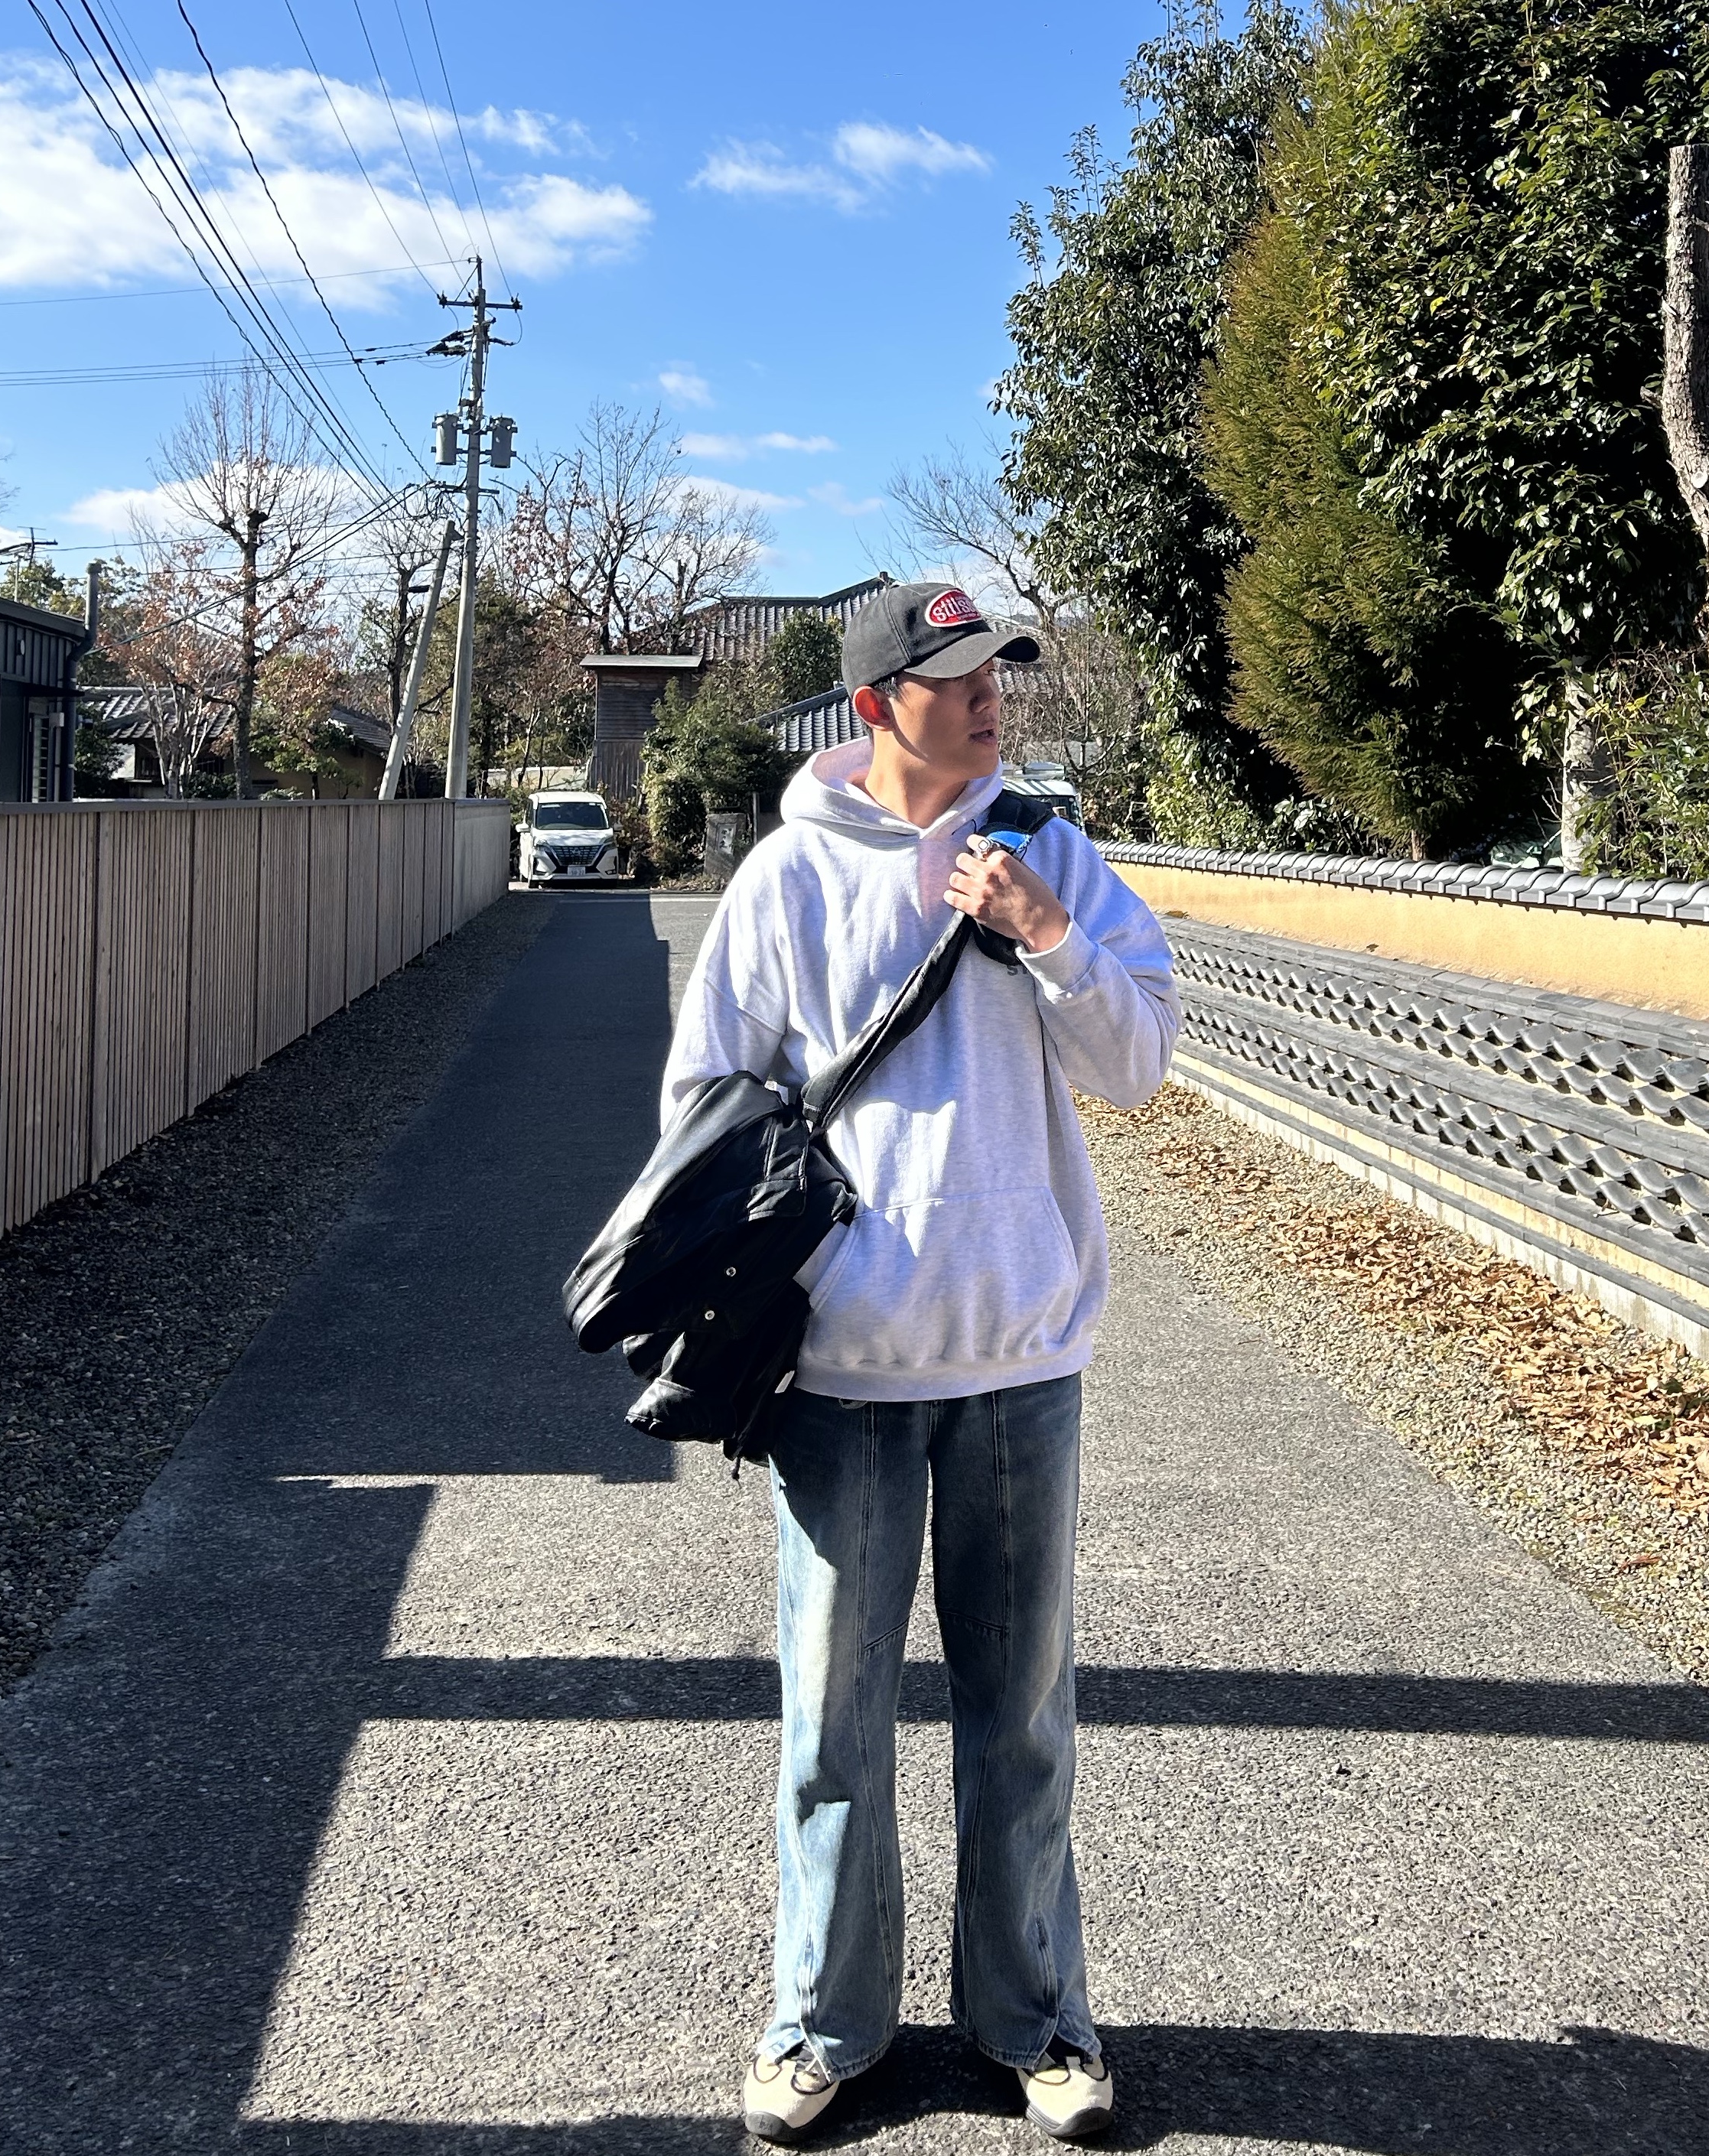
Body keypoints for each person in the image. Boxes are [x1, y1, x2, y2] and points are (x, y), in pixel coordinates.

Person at [660, 582, 1180, 2143]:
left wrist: (1045, 937)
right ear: (876, 702)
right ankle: (822, 2023)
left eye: (994, 676)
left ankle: (1034, 2018)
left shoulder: (1051, 850)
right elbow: (702, 1099)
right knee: (832, 1723)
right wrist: (775, 1280)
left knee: (1018, 1712)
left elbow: (1141, 1065)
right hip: (839, 1369)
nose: (986, 700)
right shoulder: (783, 879)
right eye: (952, 678)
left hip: (1021, 1350)